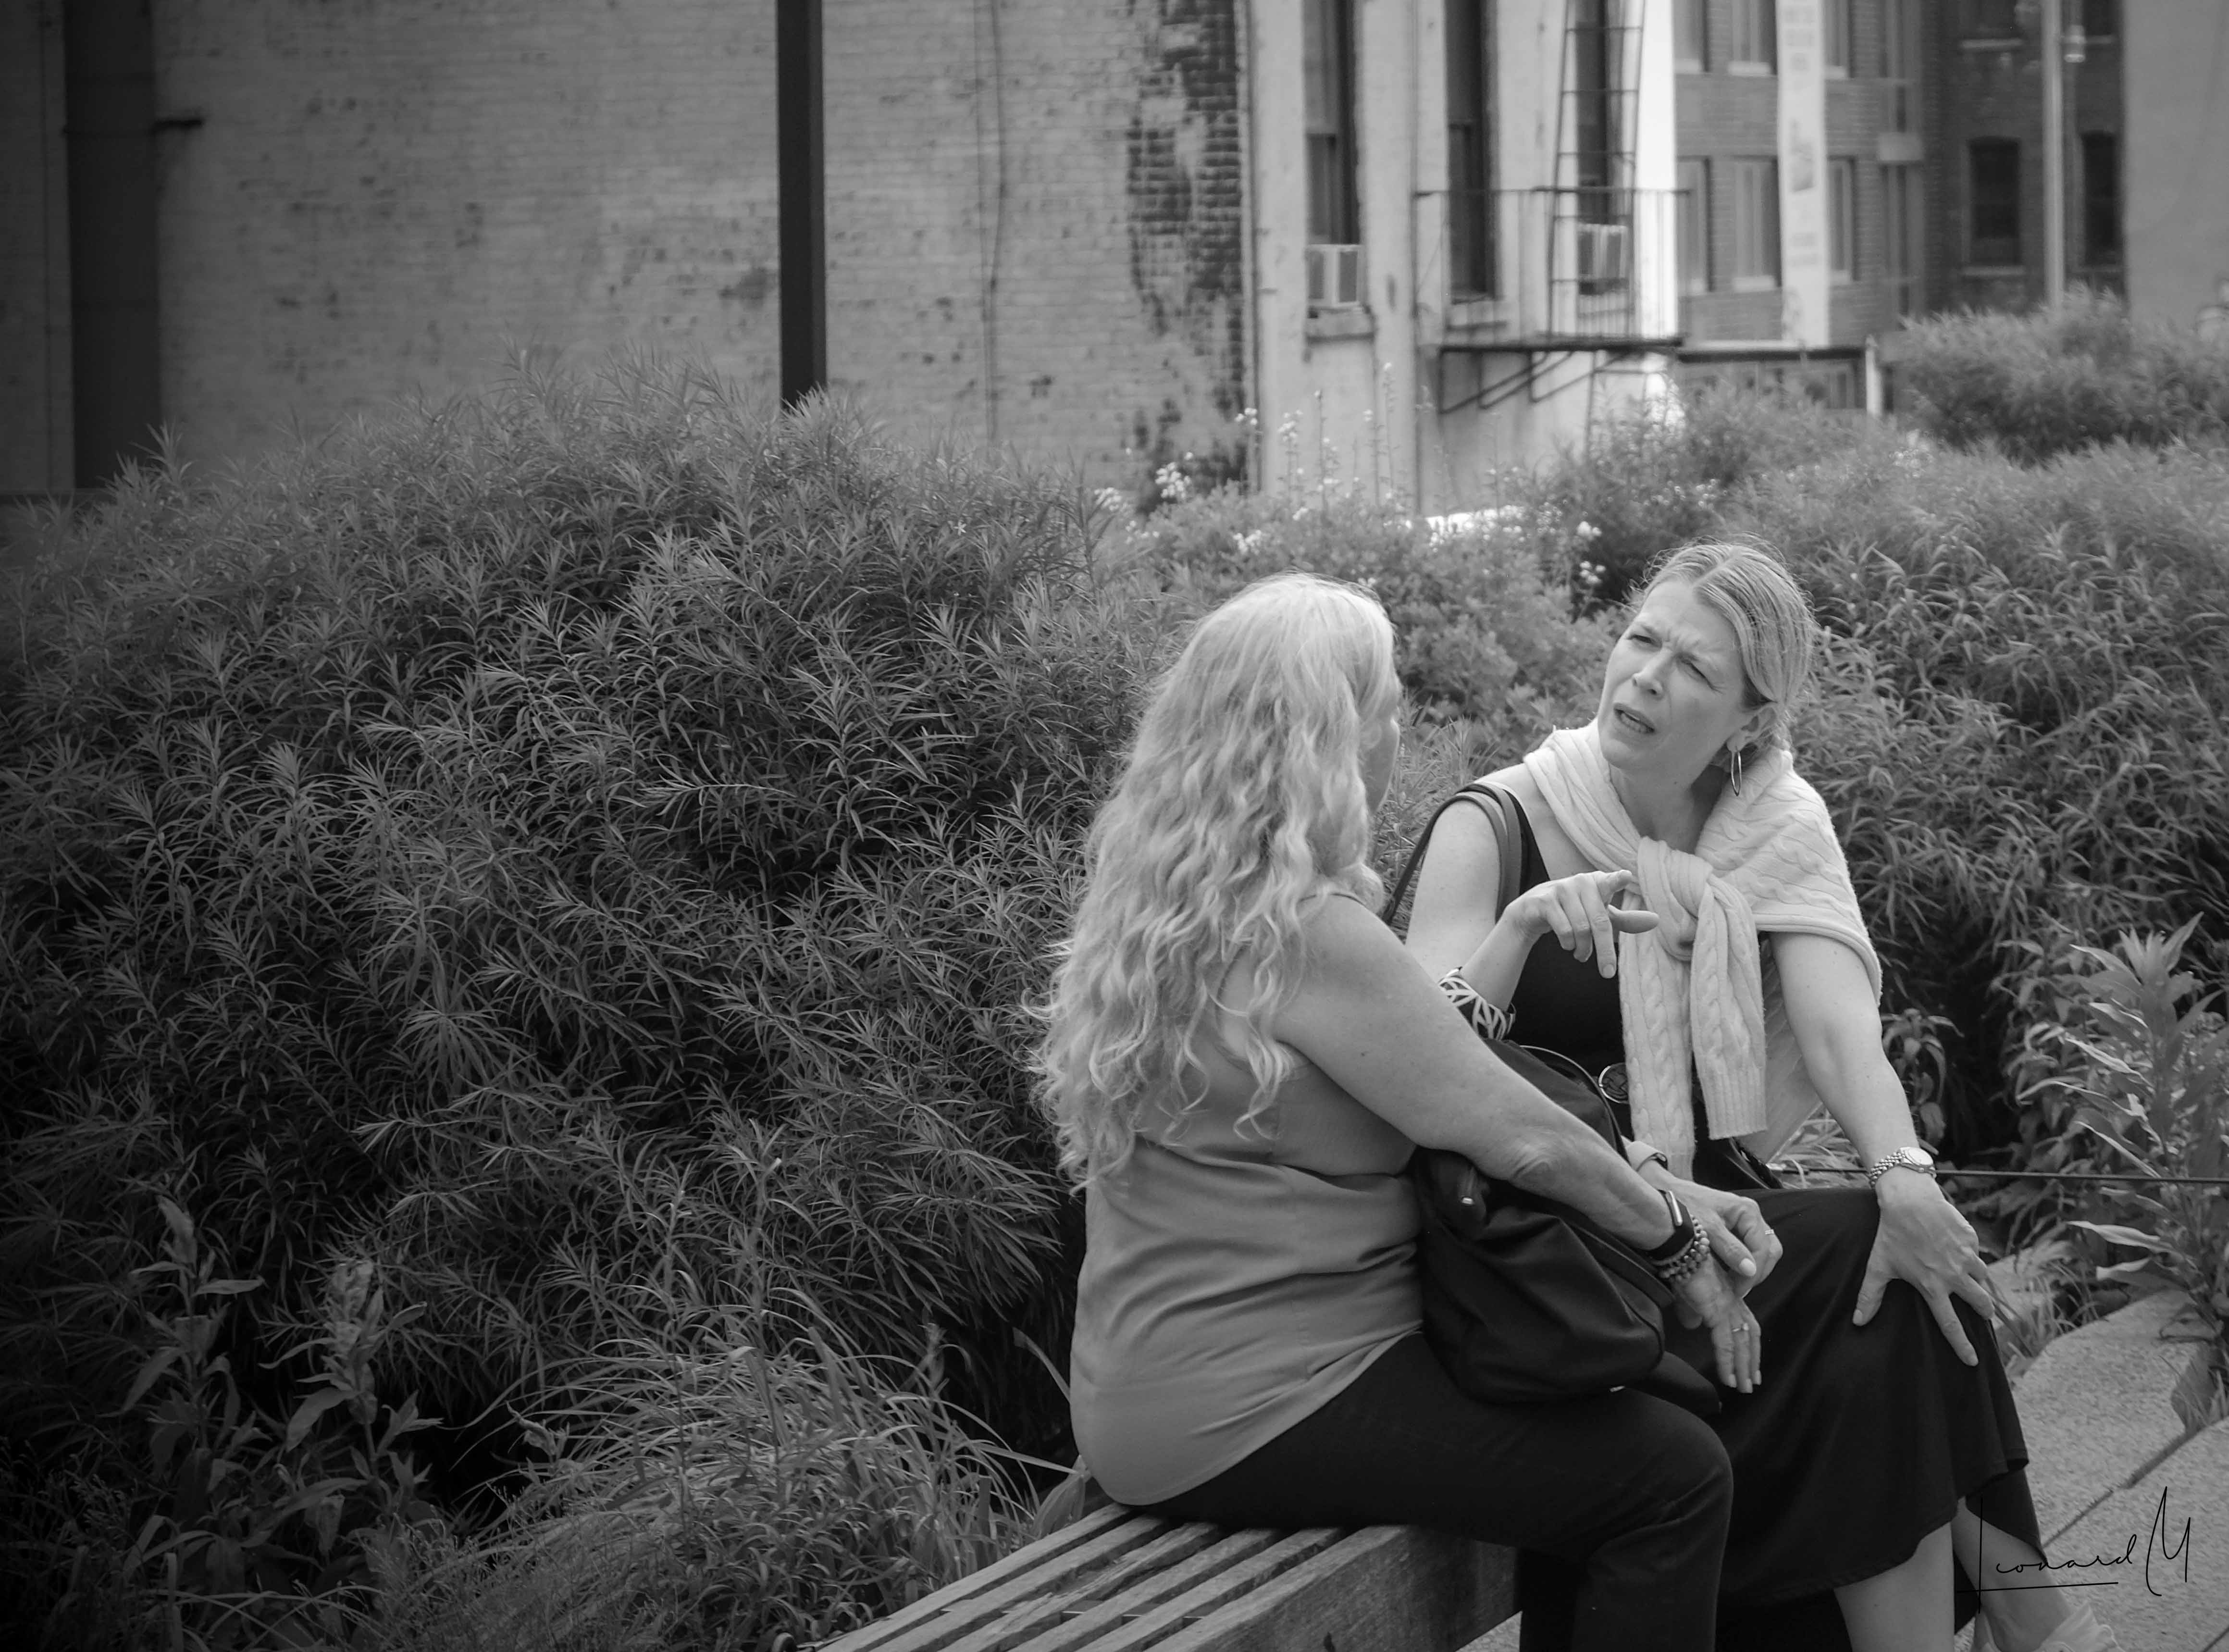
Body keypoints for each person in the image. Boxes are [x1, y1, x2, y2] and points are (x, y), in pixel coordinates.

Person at [1402, 541, 2117, 1652]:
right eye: (1642, 639)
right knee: (1864, 1273)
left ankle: (2026, 1633)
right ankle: (2043, 1629)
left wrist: (1909, 1179)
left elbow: (1838, 1033)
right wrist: (1522, 929)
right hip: (1559, 1251)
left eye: (1693, 667)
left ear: (1747, 721)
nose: (1646, 676)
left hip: (1717, 1228)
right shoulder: (1497, 824)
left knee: (1895, 1265)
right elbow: (1427, 1059)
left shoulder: (1774, 825)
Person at [1038, 572, 1759, 1652]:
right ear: (1330, 743)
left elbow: (1451, 1071)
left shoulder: (1163, 908)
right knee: (1669, 1476)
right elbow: (1511, 1129)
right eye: (1384, 708)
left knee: (1605, 1422)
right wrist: (1677, 1245)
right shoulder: (1306, 932)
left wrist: (1660, 1184)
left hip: (1157, 1386)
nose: (1395, 732)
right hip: (1261, 1399)